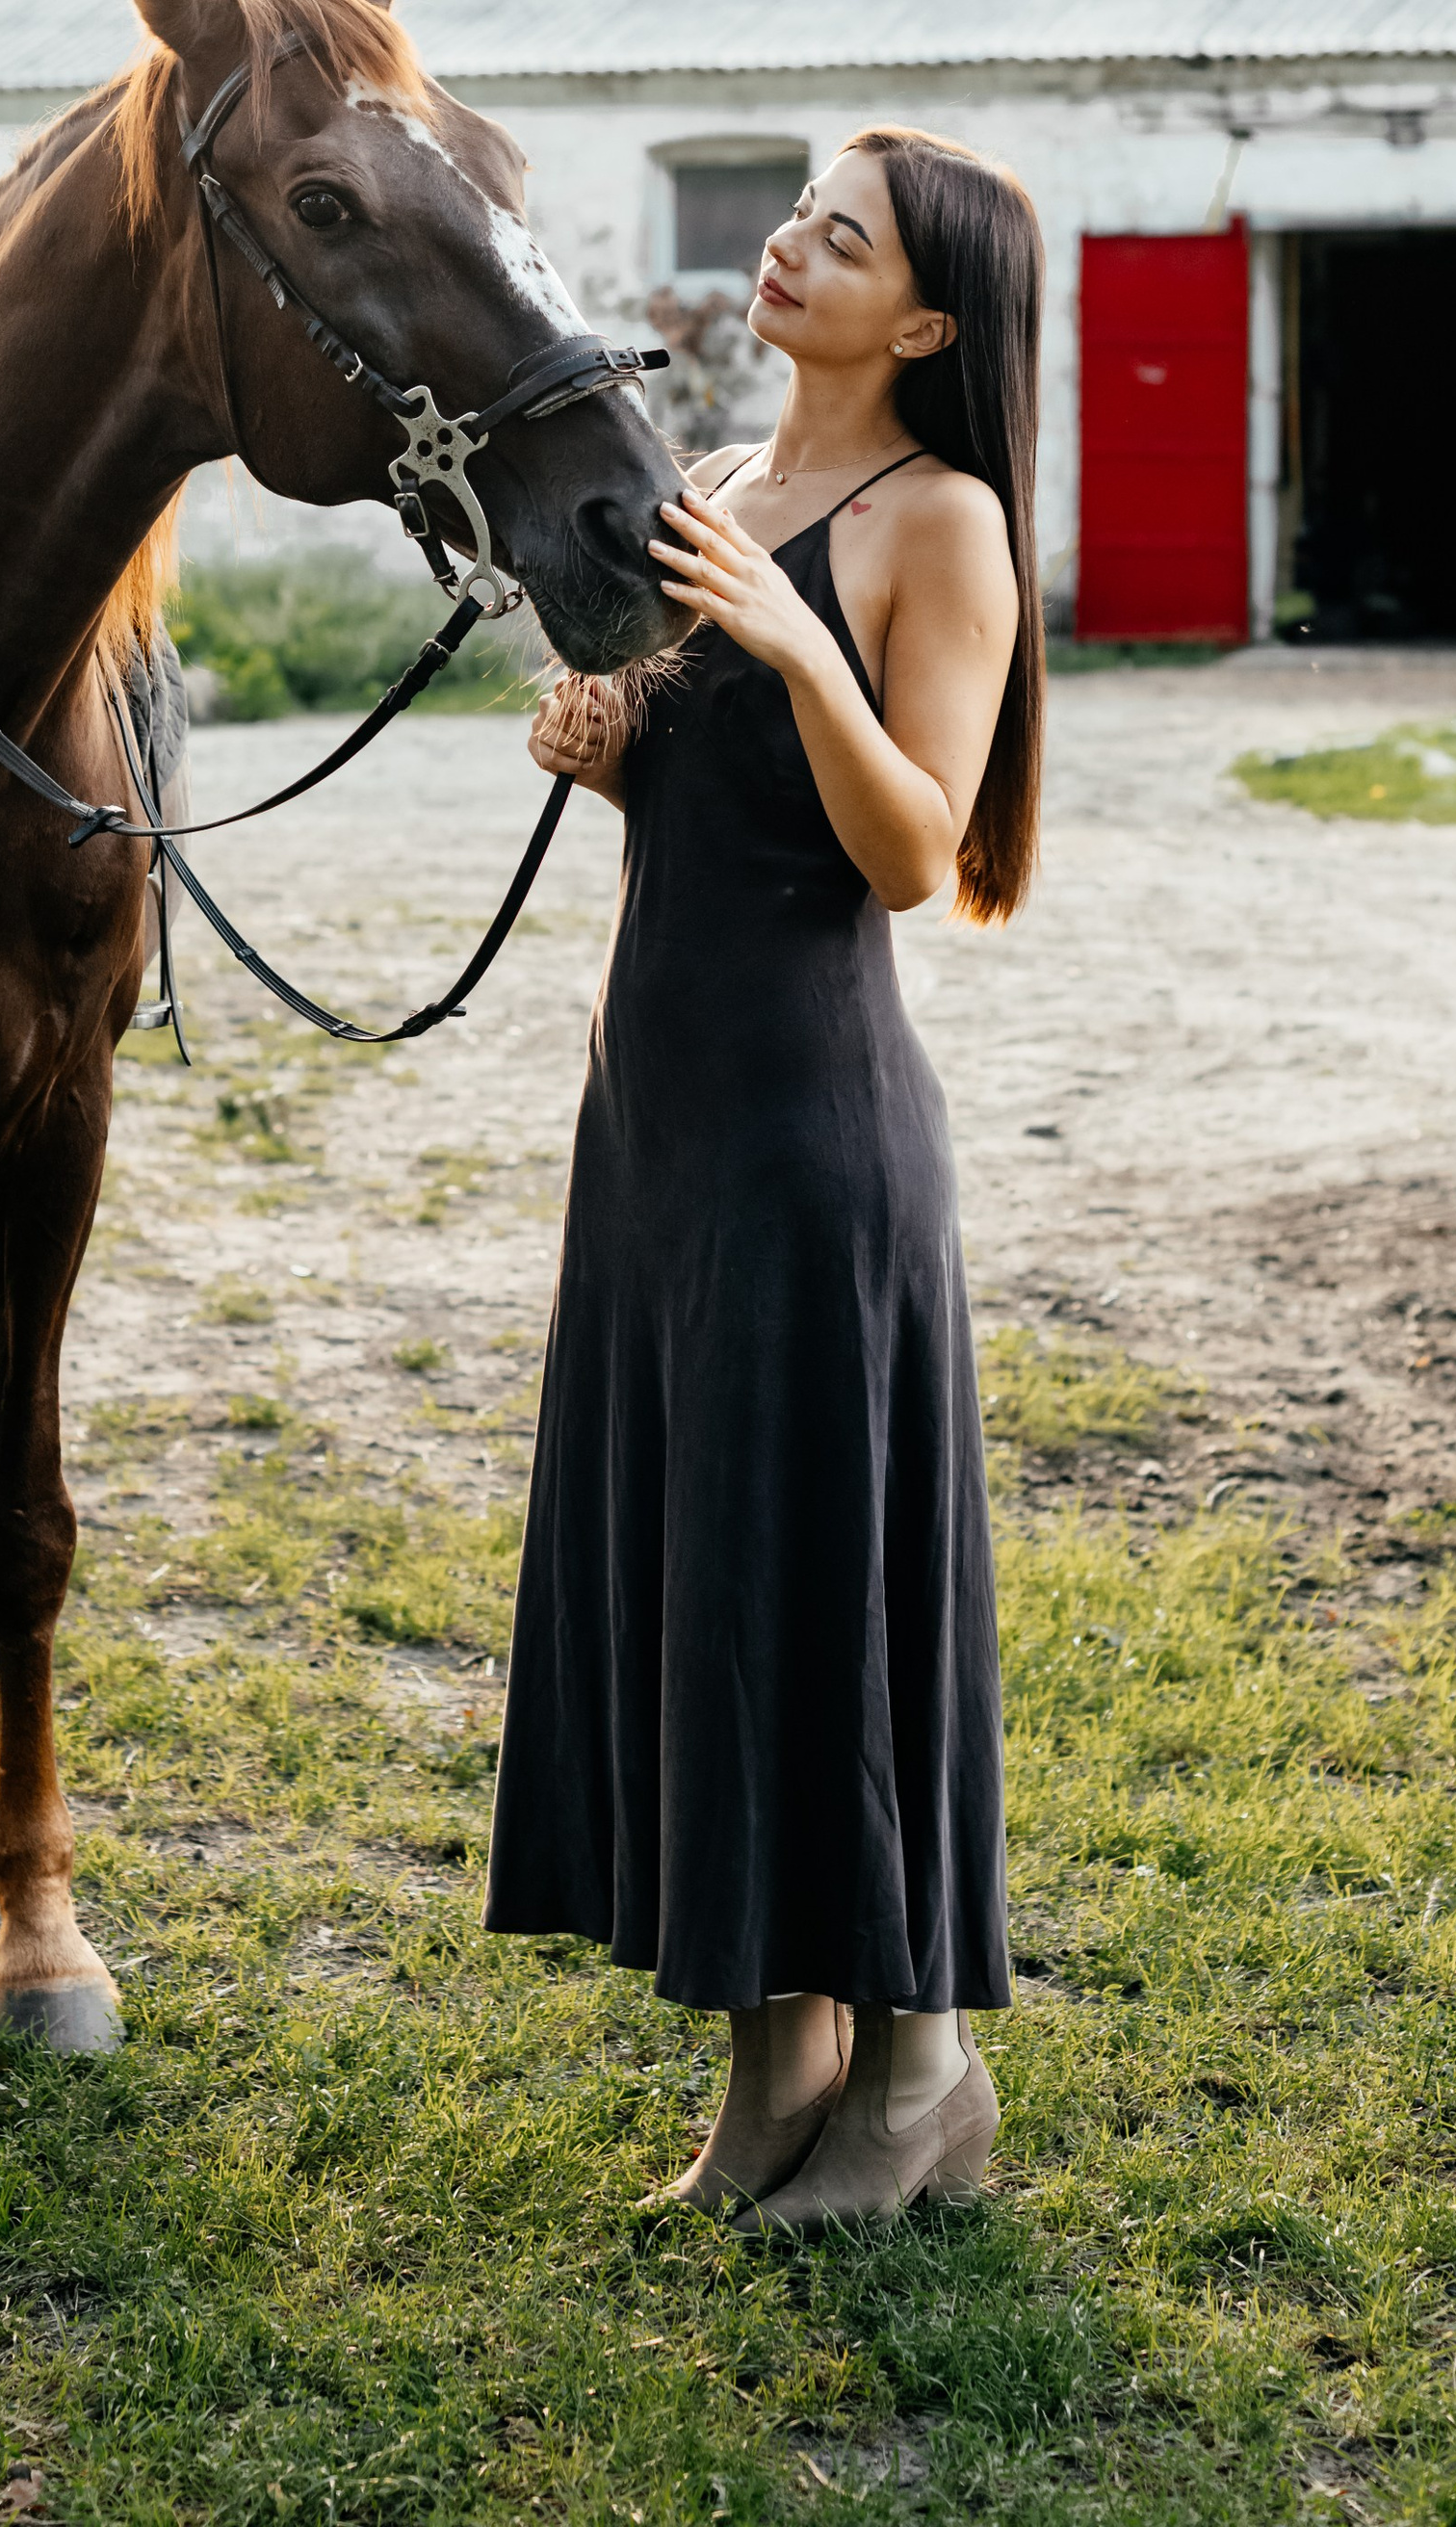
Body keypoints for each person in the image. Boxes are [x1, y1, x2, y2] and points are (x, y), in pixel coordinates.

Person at [484, 122, 1046, 2233]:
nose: (787, 247)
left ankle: (919, 2085)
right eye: (793, 211)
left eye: (841, 235)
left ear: (922, 320)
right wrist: (607, 737)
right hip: (657, 1115)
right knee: (708, 1584)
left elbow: (912, 848)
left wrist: (796, 650)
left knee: (828, 1587)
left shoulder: (941, 525)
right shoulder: (710, 489)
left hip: (819, 1135)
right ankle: (772, 2066)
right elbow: (703, 792)